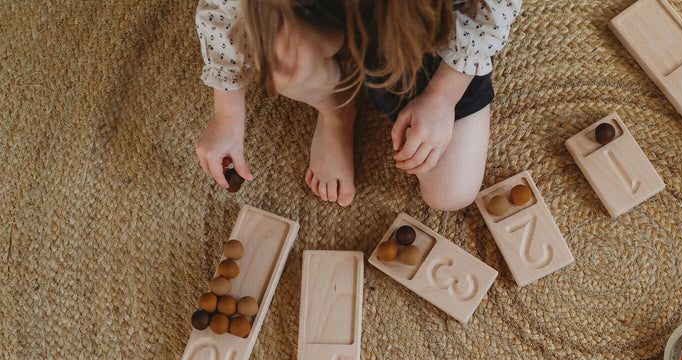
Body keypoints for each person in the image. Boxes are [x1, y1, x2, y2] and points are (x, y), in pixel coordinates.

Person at [194, 0, 521, 210]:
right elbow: (224, 12)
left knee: (451, 193)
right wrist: (227, 114)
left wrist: (442, 98)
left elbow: (489, 15)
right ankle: (336, 111)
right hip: (318, 16)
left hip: (419, 25)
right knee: (282, 55)